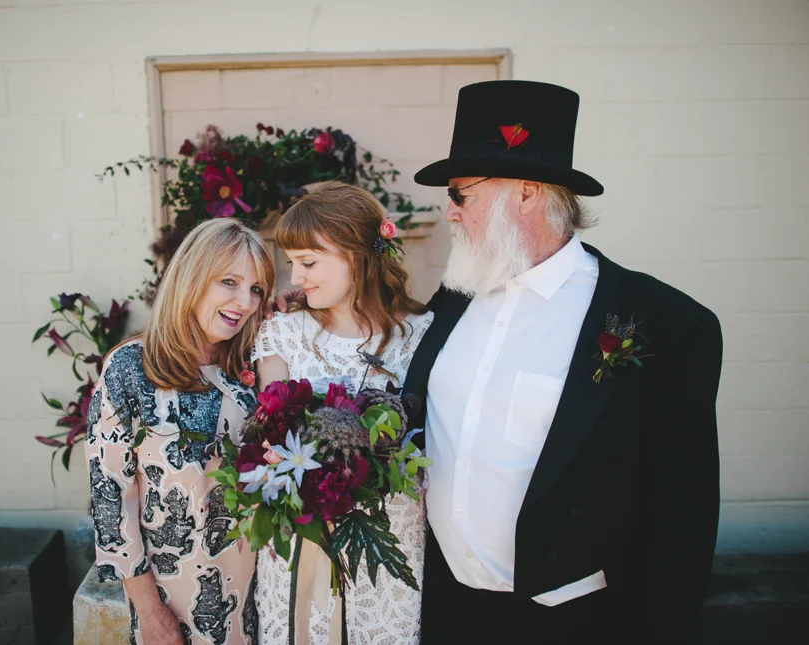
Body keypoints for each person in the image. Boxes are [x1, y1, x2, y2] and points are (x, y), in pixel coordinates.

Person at [402, 80, 723, 644]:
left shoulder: (664, 324)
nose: (449, 213)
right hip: (448, 609)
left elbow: (681, 520)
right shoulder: (455, 297)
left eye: (460, 194)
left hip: (574, 622)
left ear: (526, 193)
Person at [251, 181, 434, 645]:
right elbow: (272, 438)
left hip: (391, 545)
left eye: (308, 262)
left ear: (356, 255)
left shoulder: (423, 335)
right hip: (303, 546)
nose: (296, 278)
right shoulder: (281, 334)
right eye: (291, 263)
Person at [85, 218, 275, 645]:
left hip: (262, 596)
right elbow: (110, 498)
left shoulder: (253, 367)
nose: (245, 301)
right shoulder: (131, 368)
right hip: (174, 602)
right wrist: (150, 611)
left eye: (256, 288)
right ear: (192, 277)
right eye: (229, 282)